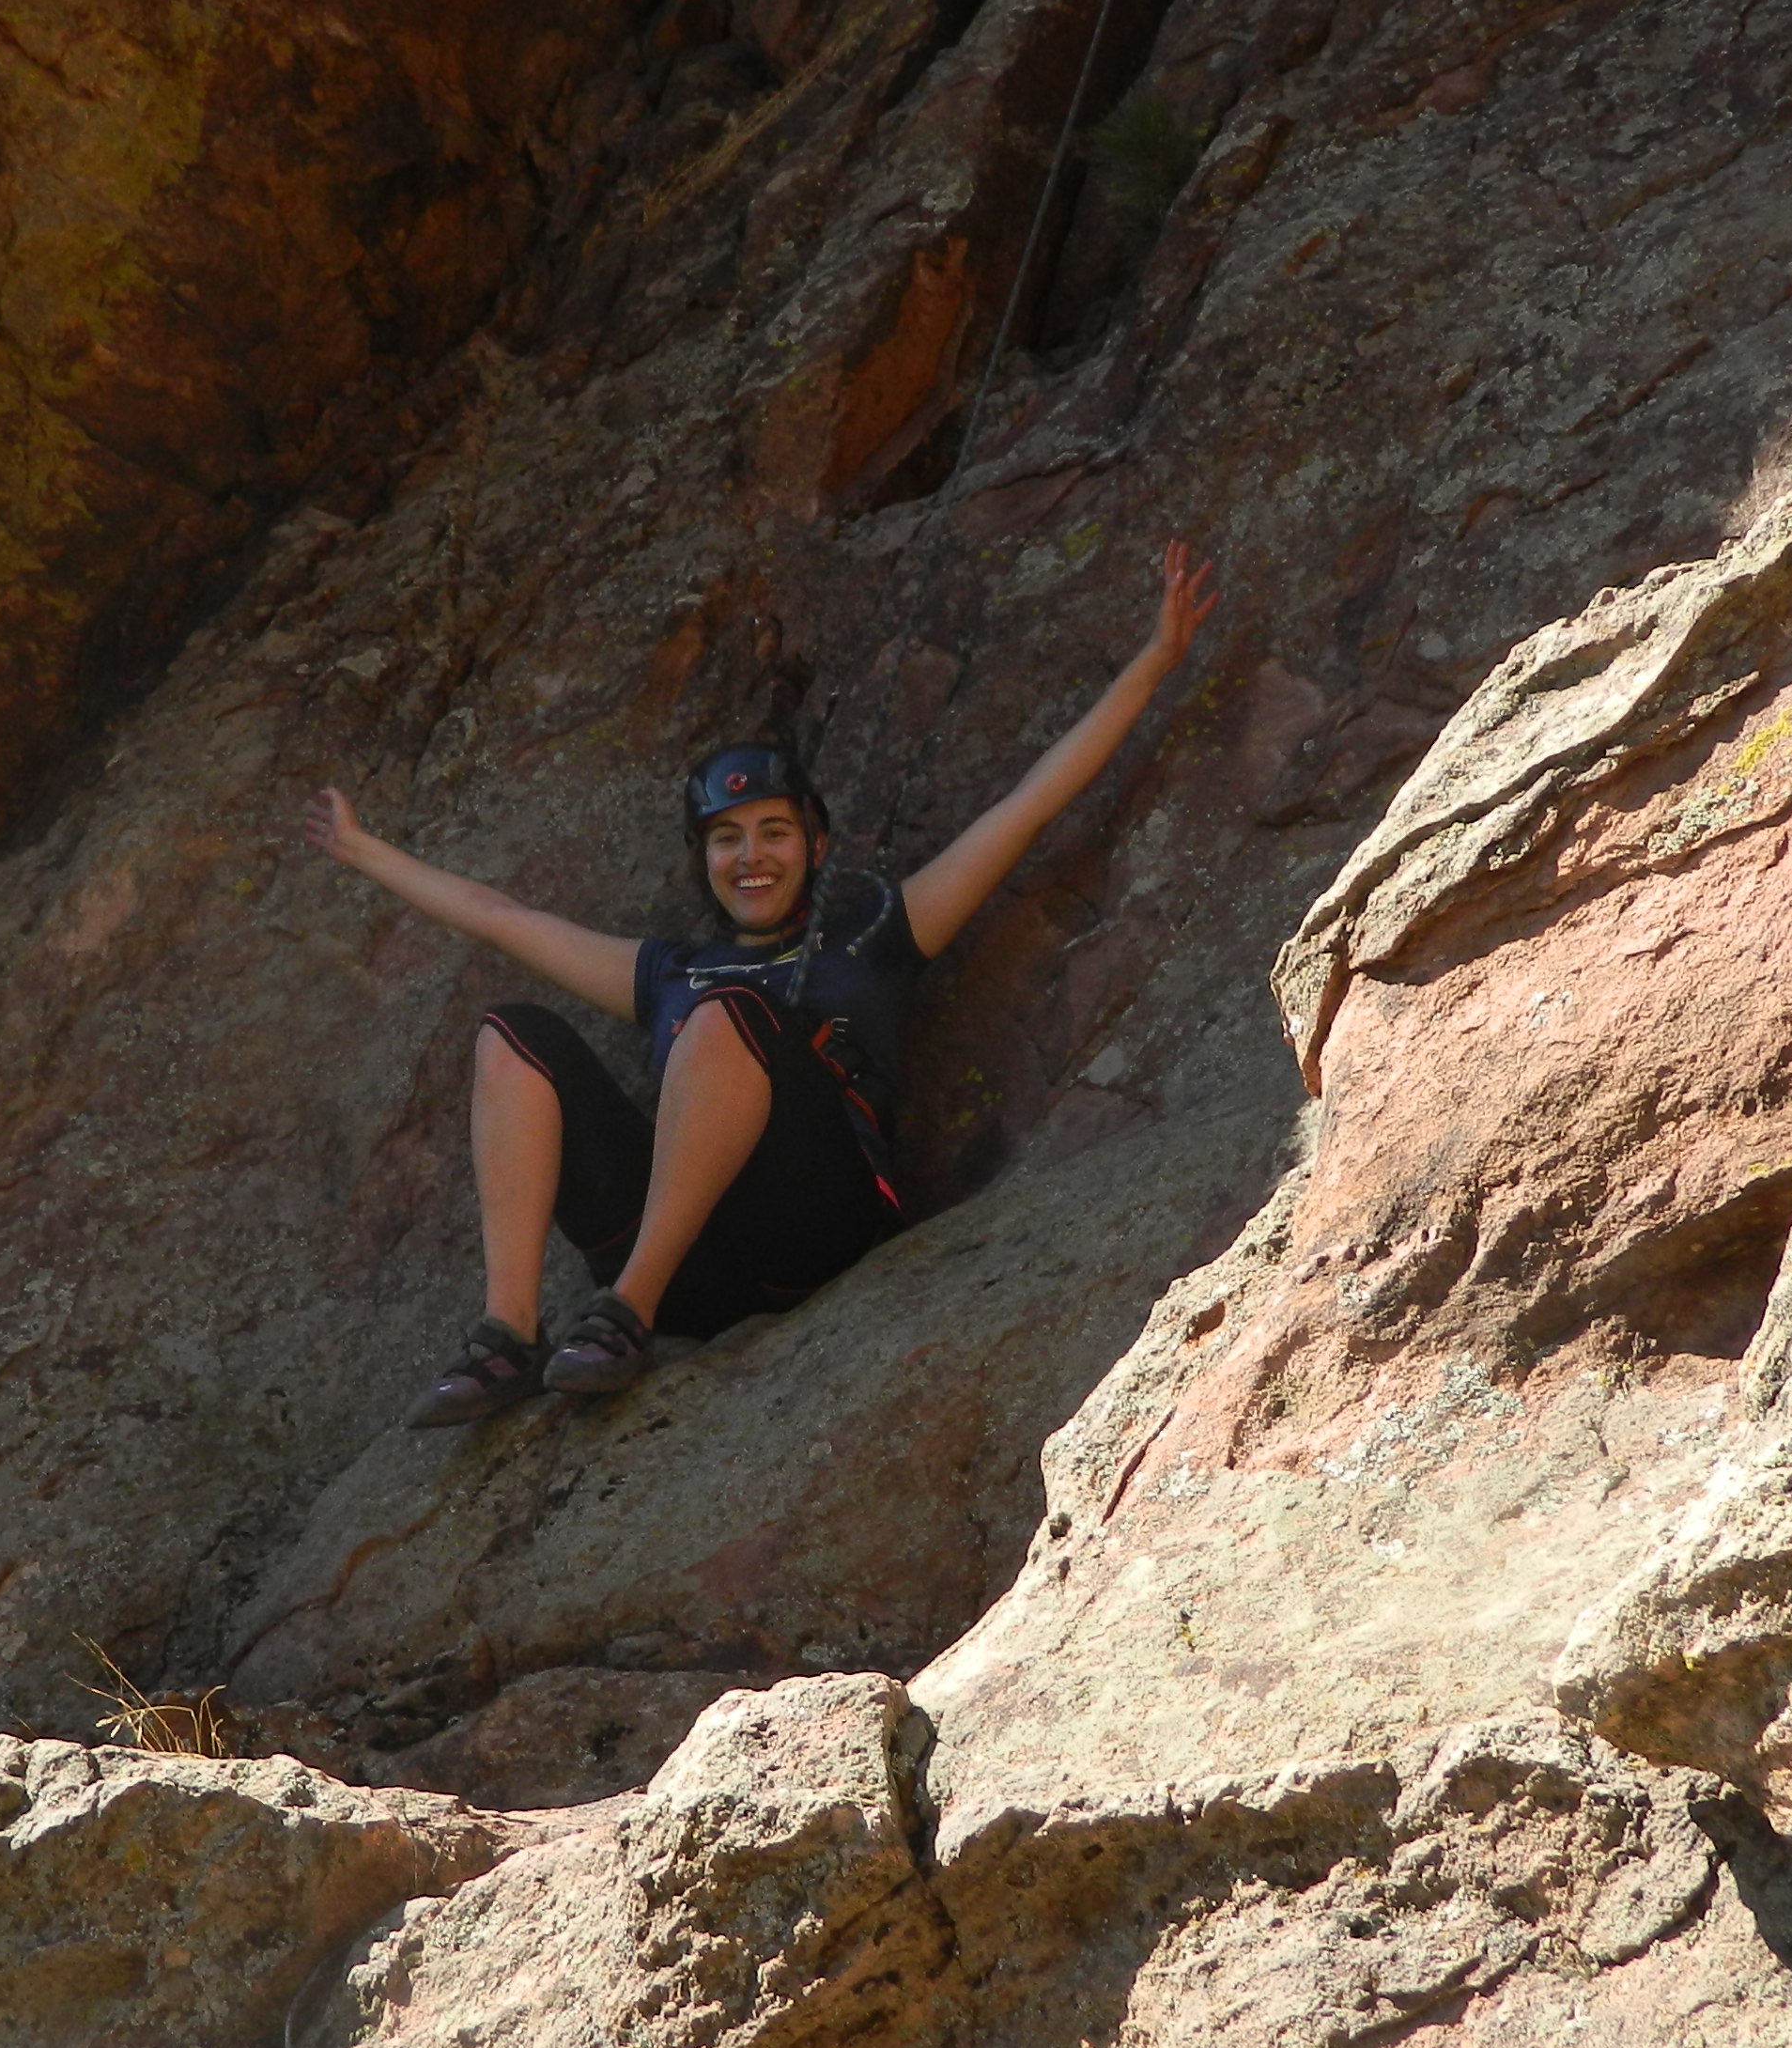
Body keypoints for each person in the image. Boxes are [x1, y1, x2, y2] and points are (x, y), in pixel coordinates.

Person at [302, 543, 1219, 1423]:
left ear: (814, 847)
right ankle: (508, 1335)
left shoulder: (873, 933)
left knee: (726, 1016)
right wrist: (363, 851)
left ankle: (623, 1315)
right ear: (703, 860)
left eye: (774, 832)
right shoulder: (666, 970)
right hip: (699, 1265)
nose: (752, 857)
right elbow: (502, 917)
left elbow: (1025, 806)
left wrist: (1154, 659)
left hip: (814, 1229)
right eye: (726, 839)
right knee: (511, 1035)